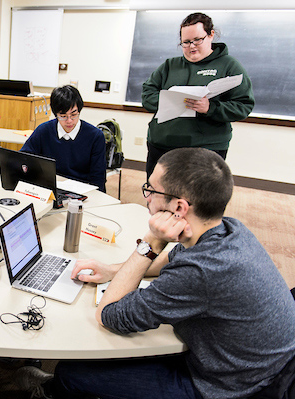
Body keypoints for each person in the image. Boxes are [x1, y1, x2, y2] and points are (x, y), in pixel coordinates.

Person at [17, 148, 295, 399]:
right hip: (259, 360)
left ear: (178, 208)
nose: (146, 196)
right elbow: (171, 260)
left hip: (230, 385)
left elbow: (109, 314)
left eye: (151, 189)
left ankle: (51, 392)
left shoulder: (201, 271)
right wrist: (112, 271)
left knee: (72, 373)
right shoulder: (228, 228)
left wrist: (152, 240)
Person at [142, 12, 255, 177]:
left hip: (206, 149)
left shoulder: (229, 66)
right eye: (186, 42)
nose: (192, 46)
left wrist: (211, 108)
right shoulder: (169, 65)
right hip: (162, 145)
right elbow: (147, 95)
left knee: (198, 199)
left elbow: (243, 106)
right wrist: (168, 101)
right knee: (159, 194)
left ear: (211, 35)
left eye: (197, 40)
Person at [20, 85, 107, 192]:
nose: (69, 120)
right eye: (63, 116)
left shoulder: (95, 136)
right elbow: (23, 158)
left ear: (79, 110)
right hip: (50, 188)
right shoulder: (43, 130)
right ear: (55, 114)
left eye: (73, 114)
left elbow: (98, 178)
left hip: (81, 191)